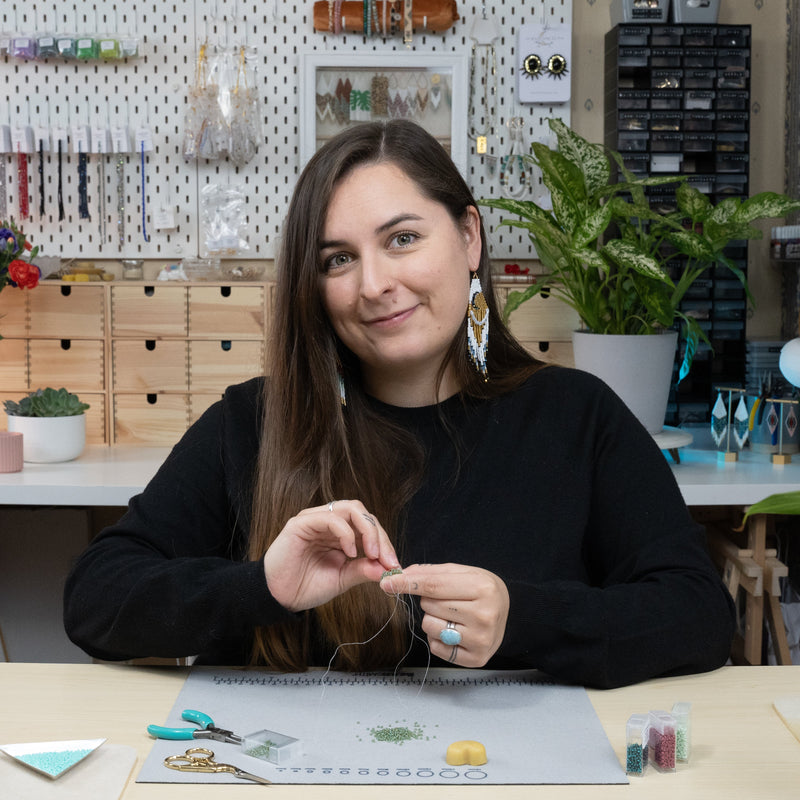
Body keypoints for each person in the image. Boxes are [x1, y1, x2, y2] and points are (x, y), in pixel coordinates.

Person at [64, 119, 735, 689]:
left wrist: (520, 616)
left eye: (403, 239)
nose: (375, 283)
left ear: (468, 238)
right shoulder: (253, 423)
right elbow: (94, 600)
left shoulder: (576, 416)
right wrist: (260, 587)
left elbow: (699, 614)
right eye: (337, 260)